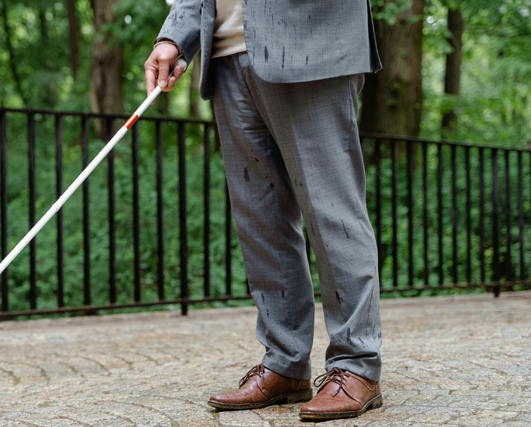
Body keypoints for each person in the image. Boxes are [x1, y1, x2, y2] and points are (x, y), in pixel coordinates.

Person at [144, 0, 384, 421]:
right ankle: (285, 363)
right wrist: (174, 36)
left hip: (313, 44)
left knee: (333, 212)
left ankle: (356, 365)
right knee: (261, 219)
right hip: (226, 54)